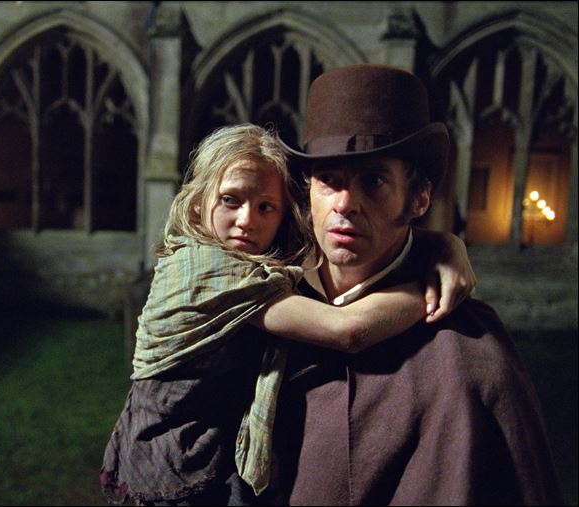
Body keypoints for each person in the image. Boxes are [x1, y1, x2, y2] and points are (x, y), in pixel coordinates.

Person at [100, 123, 476, 506]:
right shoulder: (205, 268)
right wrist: (429, 288)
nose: (247, 220)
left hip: (210, 460)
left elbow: (355, 232)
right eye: (230, 200)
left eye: (266, 207)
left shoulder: (249, 258)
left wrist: (445, 245)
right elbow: (347, 330)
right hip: (172, 469)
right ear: (197, 202)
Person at [274, 64, 563, 505]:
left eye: (374, 180)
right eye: (329, 180)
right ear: (306, 193)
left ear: (419, 198)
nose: (345, 204)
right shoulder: (260, 312)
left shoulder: (474, 358)